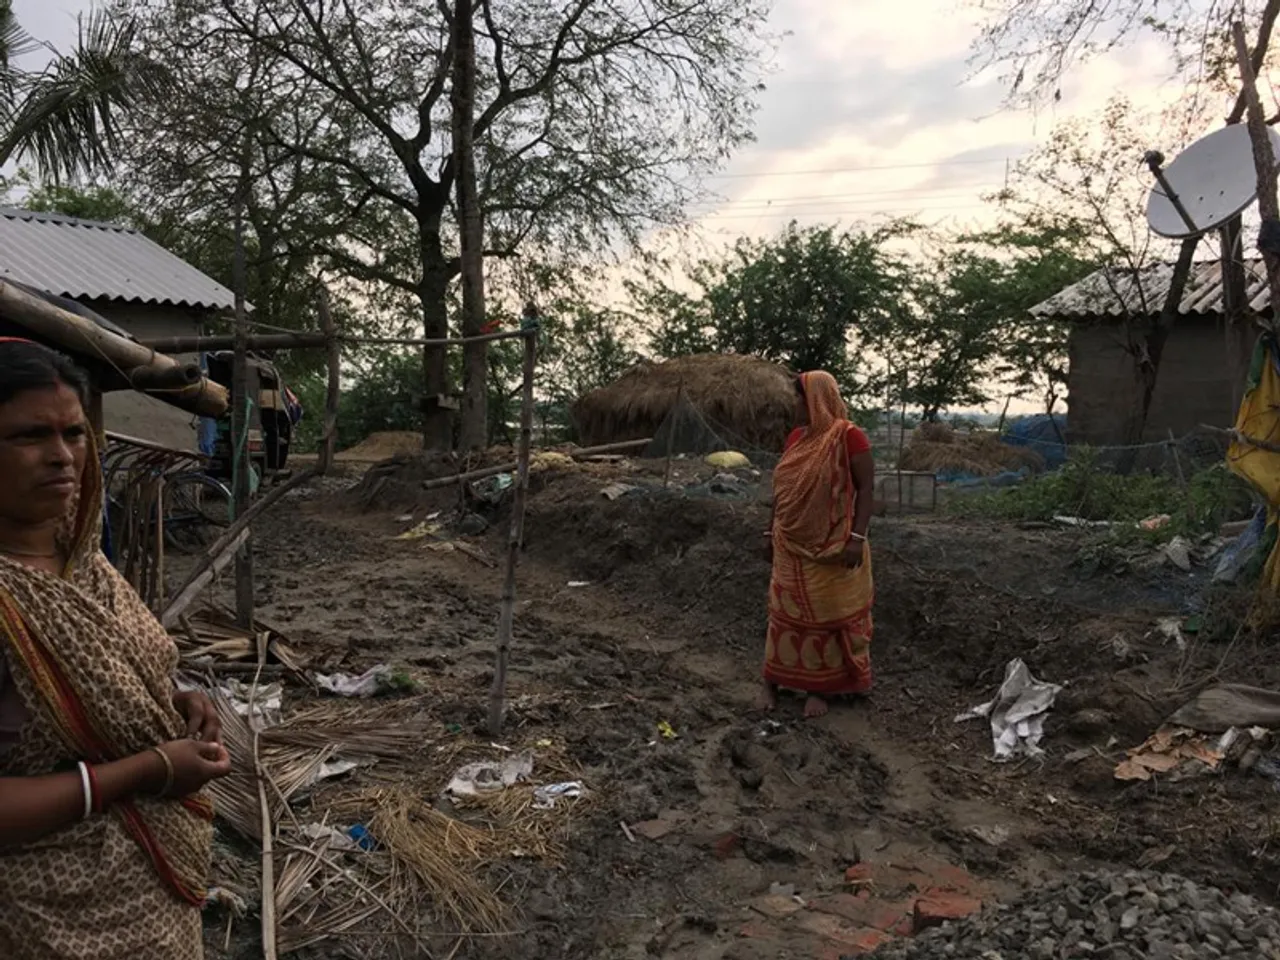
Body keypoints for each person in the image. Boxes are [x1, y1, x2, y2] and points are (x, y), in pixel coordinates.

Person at [0, 338, 232, 960]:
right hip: (46, 915)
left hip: (154, 891)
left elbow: (119, 674)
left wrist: (174, 699)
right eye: (28, 436)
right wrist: (149, 769)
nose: (62, 456)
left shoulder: (82, 562)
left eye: (74, 433)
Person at [760, 371, 876, 718]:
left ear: (817, 398)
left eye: (799, 397)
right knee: (782, 613)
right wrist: (769, 532)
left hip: (834, 546)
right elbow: (781, 493)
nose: (795, 404)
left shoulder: (850, 437)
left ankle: (819, 688)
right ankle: (771, 681)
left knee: (824, 617)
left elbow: (867, 490)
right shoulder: (796, 439)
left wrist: (857, 538)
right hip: (788, 543)